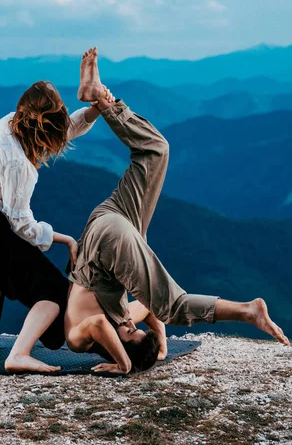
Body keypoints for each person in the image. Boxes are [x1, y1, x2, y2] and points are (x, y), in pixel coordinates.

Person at [65, 50, 290, 375]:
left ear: (114, 347)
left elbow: (101, 322)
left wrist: (125, 365)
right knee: (155, 151)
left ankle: (247, 311)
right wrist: (160, 342)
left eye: (128, 332)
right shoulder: (126, 317)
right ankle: (101, 100)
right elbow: (149, 309)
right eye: (134, 328)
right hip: (116, 223)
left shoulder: (79, 340)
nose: (130, 323)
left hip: (105, 243)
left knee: (172, 304)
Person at [0, 48, 113, 373]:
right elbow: (22, 226)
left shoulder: (10, 124)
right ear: (43, 128)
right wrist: (66, 239)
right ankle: (19, 355)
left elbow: (63, 129)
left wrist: (94, 110)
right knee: (52, 291)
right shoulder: (17, 163)